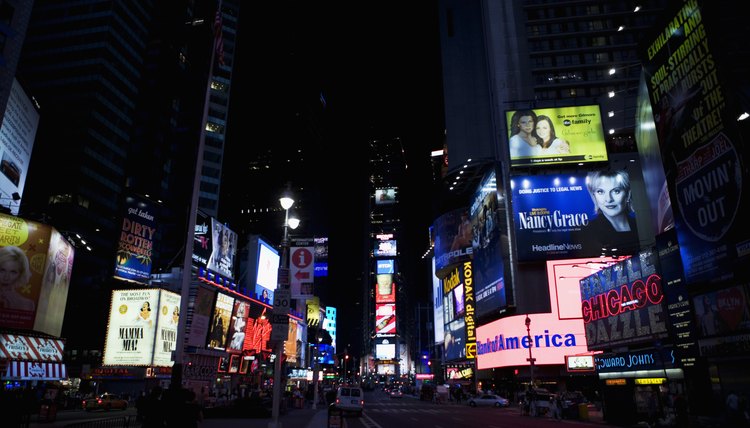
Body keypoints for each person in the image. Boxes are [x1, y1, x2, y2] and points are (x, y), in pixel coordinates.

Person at [585, 169, 638, 252]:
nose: (609, 199)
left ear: (628, 195)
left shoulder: (640, 225)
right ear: (594, 196)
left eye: (616, 191)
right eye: (600, 191)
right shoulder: (586, 231)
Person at [0, 245, 35, 311]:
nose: (6, 277)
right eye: (2, 270)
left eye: (13, 272)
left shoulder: (27, 304)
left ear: (21, 274)